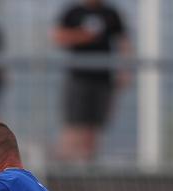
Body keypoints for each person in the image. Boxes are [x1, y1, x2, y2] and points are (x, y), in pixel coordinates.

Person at [53, 0, 131, 162]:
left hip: (103, 78)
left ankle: (88, 164)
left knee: (94, 126)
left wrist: (124, 70)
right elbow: (58, 36)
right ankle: (66, 164)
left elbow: (123, 42)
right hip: (78, 77)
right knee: (74, 124)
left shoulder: (111, 13)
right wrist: (83, 36)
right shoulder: (73, 12)